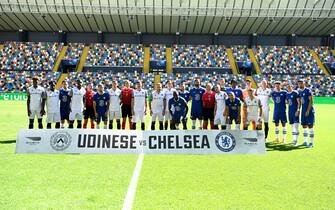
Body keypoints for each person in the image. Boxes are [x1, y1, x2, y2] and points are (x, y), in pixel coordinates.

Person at [298, 80, 315, 148]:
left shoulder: (308, 90)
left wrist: (308, 110)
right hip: (303, 111)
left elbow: (311, 101)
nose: (300, 84)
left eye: (301, 83)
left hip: (309, 111)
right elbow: (300, 102)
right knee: (304, 126)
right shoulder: (299, 91)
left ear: (304, 83)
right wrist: (298, 109)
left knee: (310, 126)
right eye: (299, 83)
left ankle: (311, 143)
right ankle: (305, 141)